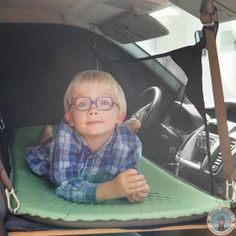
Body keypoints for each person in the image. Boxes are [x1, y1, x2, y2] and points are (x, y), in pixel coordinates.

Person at [26, 70, 149, 204]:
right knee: (47, 149)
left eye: (104, 103)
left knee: (123, 137)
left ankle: (128, 126)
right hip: (53, 157)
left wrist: (135, 189)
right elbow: (65, 185)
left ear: (119, 116)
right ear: (70, 118)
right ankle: (46, 135)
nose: (93, 110)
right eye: (82, 104)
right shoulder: (67, 136)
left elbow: (128, 176)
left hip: (114, 143)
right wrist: (109, 190)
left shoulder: (129, 143)